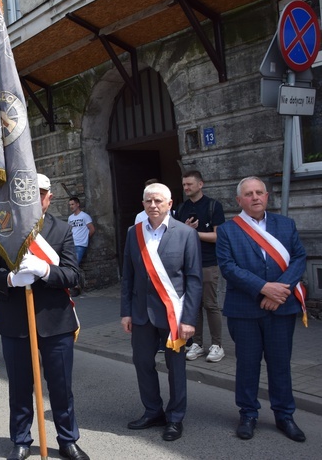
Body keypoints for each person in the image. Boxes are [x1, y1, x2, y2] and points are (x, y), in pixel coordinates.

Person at [0, 174, 89, 460]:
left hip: (56, 320)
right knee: (19, 386)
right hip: (16, 319)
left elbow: (74, 275)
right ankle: (21, 439)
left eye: (40, 194)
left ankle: (67, 440)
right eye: (28, 193)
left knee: (61, 385)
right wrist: (11, 280)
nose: (34, 199)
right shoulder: (2, 228)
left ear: (49, 197)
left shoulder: (62, 230)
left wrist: (45, 270)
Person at [216, 176, 307, 442]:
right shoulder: (227, 230)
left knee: (280, 364)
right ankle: (248, 414)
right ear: (239, 200)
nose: (255, 197)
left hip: (281, 308)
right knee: (247, 364)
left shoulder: (285, 225)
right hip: (244, 310)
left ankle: (284, 415)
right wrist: (264, 288)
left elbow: (299, 258)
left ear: (267, 196)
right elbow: (228, 268)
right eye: (248, 194)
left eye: (259, 192)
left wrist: (278, 291)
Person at [120, 182, 202, 442]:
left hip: (173, 316)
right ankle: (153, 411)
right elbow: (128, 278)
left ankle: (175, 418)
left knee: (175, 367)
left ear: (169, 204)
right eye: (148, 201)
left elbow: (194, 280)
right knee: (142, 364)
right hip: (141, 314)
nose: (153, 206)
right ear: (143, 204)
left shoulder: (186, 234)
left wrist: (189, 319)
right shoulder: (134, 233)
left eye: (158, 201)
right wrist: (126, 312)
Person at [175, 170, 226, 363]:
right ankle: (196, 343)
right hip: (187, 265)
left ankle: (217, 345)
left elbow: (218, 236)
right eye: (184, 185)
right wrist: (185, 231)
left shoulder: (213, 206)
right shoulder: (181, 209)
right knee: (193, 306)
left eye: (190, 184)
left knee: (211, 305)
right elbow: (176, 236)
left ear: (200, 184)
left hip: (207, 263)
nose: (186, 188)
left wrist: (194, 233)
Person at [67, 197, 95, 264]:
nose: (71, 206)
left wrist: (85, 238)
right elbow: (69, 230)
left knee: (75, 264)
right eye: (70, 205)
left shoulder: (85, 216)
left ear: (77, 204)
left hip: (80, 244)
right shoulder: (70, 218)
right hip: (71, 244)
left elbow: (92, 229)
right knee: (70, 264)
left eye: (72, 204)